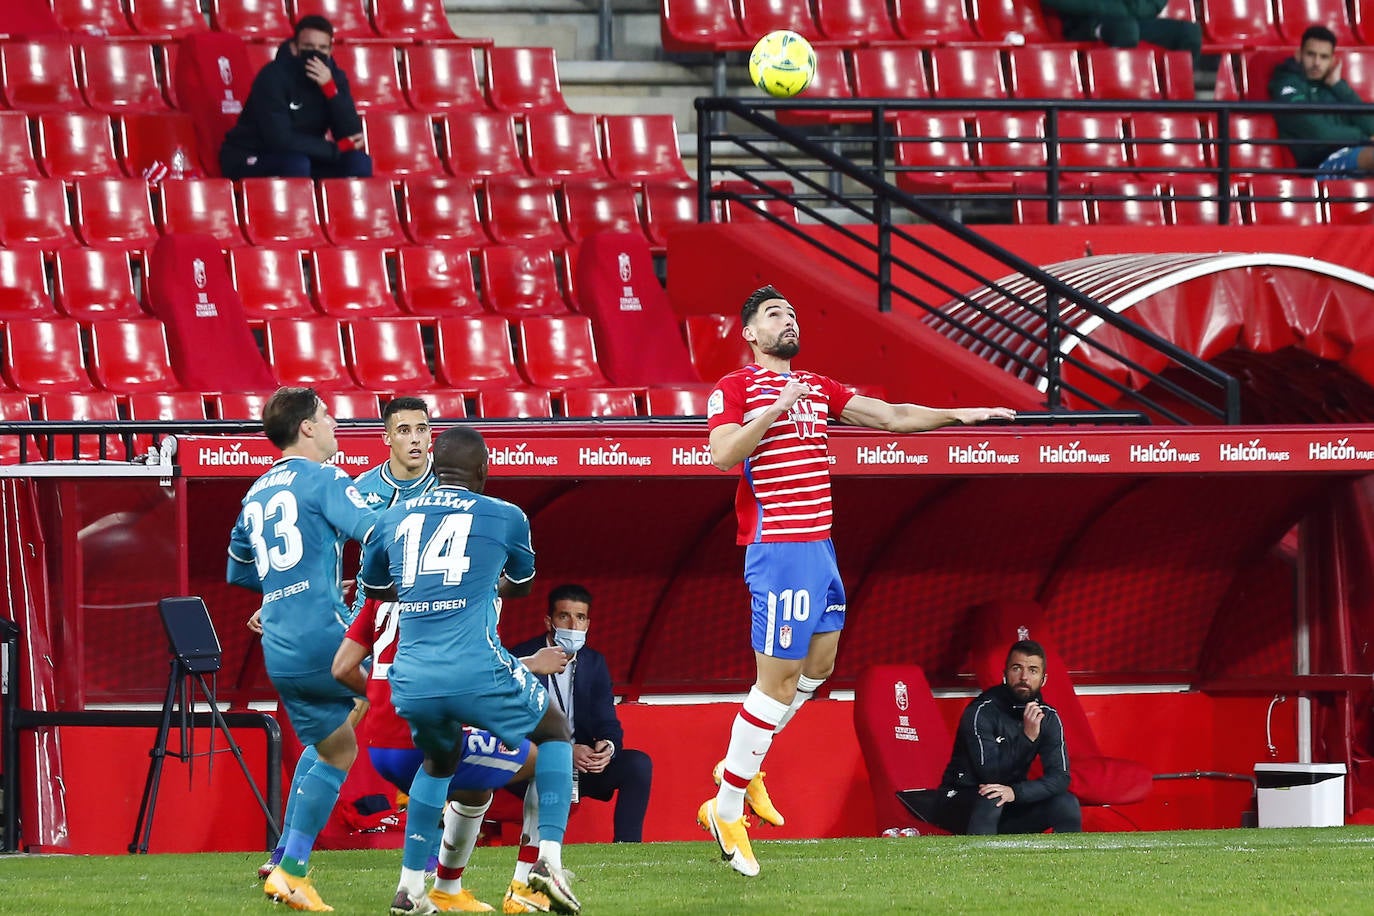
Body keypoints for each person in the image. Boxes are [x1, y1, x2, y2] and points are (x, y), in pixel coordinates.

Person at [698, 284, 1017, 877]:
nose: (787, 320)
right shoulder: (735, 388)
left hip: (820, 548)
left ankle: (743, 765)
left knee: (818, 670)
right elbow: (722, 454)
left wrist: (961, 414)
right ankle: (727, 804)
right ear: (749, 334)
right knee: (775, 684)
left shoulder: (819, 386)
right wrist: (775, 407)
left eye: (792, 313)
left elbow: (891, 418)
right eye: (773, 314)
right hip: (781, 549)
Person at [357, 426, 582, 915]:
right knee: (554, 732)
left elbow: (376, 589)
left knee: (441, 761)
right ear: (483, 471)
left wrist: (428, 590)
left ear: (435, 469)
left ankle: (411, 889)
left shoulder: (389, 519)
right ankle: (547, 862)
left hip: (412, 676)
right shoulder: (506, 515)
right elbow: (521, 584)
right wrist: (478, 586)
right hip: (475, 666)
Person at [227, 386, 377, 911]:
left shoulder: (255, 494)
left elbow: (239, 567)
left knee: (334, 747)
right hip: (326, 636)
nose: (336, 422)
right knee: (415, 699)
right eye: (327, 415)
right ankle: (435, 872)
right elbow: (373, 531)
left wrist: (279, 596)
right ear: (307, 427)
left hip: (282, 646)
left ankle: (285, 862)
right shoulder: (327, 477)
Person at [332, 596, 569, 914]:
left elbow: (342, 668)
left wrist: (385, 696)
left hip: (379, 744)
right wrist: (532, 664)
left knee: (476, 787)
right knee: (545, 757)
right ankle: (524, 886)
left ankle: (446, 889)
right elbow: (466, 673)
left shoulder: (380, 594)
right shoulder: (456, 588)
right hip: (420, 740)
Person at [509, 584, 655, 843]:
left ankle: (628, 851)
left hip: (583, 765)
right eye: (564, 616)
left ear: (588, 623)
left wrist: (606, 748)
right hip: (534, 763)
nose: (573, 626)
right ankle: (542, 852)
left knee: (638, 764)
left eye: (580, 617)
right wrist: (564, 750)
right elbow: (512, 724)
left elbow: (608, 721)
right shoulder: (523, 658)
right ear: (549, 621)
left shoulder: (595, 663)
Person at [904, 640, 1082, 835]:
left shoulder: (1048, 717)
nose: (1024, 677)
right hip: (961, 799)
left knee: (1066, 803)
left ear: (1043, 679)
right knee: (992, 796)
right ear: (1005, 674)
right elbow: (991, 775)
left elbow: (1060, 778)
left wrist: (1016, 793)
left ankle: (1067, 863)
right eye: (1017, 668)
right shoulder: (981, 711)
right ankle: (982, 864)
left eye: (1032, 670)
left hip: (1008, 799)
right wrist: (1027, 738)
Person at [219, 14, 372, 180]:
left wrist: (330, 90)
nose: (315, 53)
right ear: (294, 48)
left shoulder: (334, 78)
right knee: (296, 164)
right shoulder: (273, 76)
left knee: (359, 162)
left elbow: (352, 135)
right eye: (308, 46)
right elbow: (279, 140)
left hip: (305, 155)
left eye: (322, 48)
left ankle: (341, 207)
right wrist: (333, 150)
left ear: (330, 50)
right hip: (252, 154)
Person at [348, 396, 437, 621]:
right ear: (387, 437)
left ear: (430, 435)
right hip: (370, 613)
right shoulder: (360, 489)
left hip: (427, 616)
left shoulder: (447, 484)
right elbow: (323, 548)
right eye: (404, 431)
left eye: (421, 429)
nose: (415, 439)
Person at [1269, 25, 1374, 177]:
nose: (1317, 63)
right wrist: (1363, 138)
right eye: (1311, 55)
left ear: (1332, 60)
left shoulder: (1335, 87)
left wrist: (1338, 86)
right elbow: (1321, 134)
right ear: (1299, 55)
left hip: (1355, 156)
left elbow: (1371, 125)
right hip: (1319, 166)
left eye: (1324, 57)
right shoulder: (1287, 84)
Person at [1039, 0, 1202, 59]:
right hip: (1086, 21)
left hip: (1133, 18)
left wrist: (1127, 9)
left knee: (1190, 33)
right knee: (1126, 30)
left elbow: (1153, 4)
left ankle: (1178, 104)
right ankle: (1113, 96)